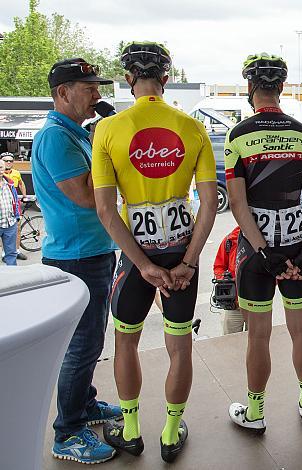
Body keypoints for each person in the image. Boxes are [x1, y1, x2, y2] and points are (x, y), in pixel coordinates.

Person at [92, 42, 218, 463]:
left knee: (125, 342)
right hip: (182, 252)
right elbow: (209, 204)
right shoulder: (193, 127)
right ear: (166, 79)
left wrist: (142, 264)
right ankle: (169, 432)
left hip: (136, 257)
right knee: (178, 346)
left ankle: (129, 428)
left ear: (129, 80)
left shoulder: (107, 130)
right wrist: (189, 261)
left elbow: (107, 212)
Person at [225, 53, 302, 431]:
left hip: (258, 250)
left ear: (250, 88)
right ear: (281, 88)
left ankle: (255, 412)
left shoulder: (239, 135)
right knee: (301, 328)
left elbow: (237, 203)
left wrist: (263, 251)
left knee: (259, 336)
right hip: (299, 246)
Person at [31, 58, 121, 464]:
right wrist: (105, 140)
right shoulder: (55, 137)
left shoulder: (76, 134)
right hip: (76, 256)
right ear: (63, 92)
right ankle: (67, 432)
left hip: (93, 251)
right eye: (89, 88)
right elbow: (86, 196)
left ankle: (84, 405)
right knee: (82, 346)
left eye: (97, 87)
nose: (97, 95)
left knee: (90, 340)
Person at [212, 226, 247, 334]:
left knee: (257, 339)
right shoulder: (230, 240)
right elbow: (219, 266)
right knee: (230, 340)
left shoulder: (265, 241)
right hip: (235, 304)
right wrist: (224, 279)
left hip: (257, 304)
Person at [2, 152, 28, 260]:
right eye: (5, 160)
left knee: (17, 227)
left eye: (10, 160)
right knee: (3, 228)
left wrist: (25, 195)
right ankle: (4, 252)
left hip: (14, 203)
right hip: (3, 204)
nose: (8, 162)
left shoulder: (16, 173)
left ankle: (16, 251)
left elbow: (21, 183)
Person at [0, 159, 21, 265]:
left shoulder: (9, 184)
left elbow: (15, 200)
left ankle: (13, 276)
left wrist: (17, 217)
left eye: (1, 167)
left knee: (11, 253)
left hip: (9, 223)